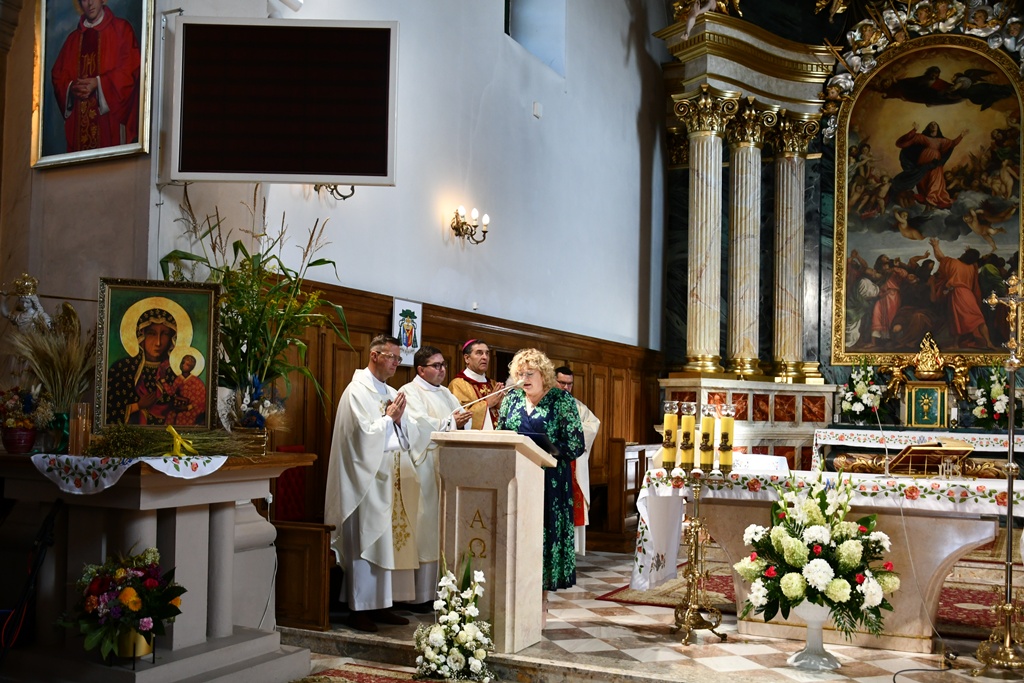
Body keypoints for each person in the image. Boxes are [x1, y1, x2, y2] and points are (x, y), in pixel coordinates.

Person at [323, 334, 420, 632]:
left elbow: (407, 433)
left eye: (398, 358)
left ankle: (381, 604)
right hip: (363, 480)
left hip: (387, 479)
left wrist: (399, 421)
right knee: (364, 543)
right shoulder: (356, 391)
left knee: (384, 545)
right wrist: (389, 419)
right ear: (374, 355)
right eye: (391, 357)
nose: (396, 363)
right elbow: (361, 436)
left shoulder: (391, 391)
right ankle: (359, 609)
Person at [498, 349, 585, 596]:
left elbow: (576, 444)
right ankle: (518, 594)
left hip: (551, 481)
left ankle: (542, 602)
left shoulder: (561, 400)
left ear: (543, 375)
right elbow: (501, 433)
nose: (524, 378)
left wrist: (548, 449)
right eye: (519, 374)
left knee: (544, 537)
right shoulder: (511, 399)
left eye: (530, 373)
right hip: (517, 479)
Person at [399, 346, 472, 610]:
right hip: (424, 467)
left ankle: (442, 591)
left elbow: (460, 419)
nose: (442, 370)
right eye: (436, 365)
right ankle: (419, 595)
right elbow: (417, 425)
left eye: (443, 365)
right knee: (425, 527)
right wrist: (451, 422)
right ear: (421, 369)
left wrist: (462, 421)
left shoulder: (445, 393)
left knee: (442, 528)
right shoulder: (409, 392)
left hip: (447, 466)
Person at [50, 0, 141, 153]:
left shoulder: (121, 29)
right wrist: (71, 88)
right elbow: (58, 76)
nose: (90, 3)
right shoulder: (73, 40)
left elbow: (130, 69)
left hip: (110, 125)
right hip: (79, 128)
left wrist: (99, 83)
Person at [554, 366, 601, 556]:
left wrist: (571, 430)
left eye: (569, 384)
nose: (566, 388)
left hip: (572, 463)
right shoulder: (545, 403)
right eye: (562, 383)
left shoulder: (577, 406)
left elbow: (593, 425)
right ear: (553, 381)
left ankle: (570, 552)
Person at [106, 308, 178, 425]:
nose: (158, 342)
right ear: (141, 336)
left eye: (165, 334)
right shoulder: (122, 369)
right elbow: (108, 411)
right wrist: (137, 406)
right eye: (152, 333)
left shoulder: (174, 372)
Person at [929, 238, 995, 349]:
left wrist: (935, 246)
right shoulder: (972, 267)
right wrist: (971, 253)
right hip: (969, 295)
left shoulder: (953, 263)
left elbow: (940, 258)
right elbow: (976, 261)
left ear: (965, 255)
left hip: (957, 293)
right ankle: (988, 342)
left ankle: (955, 344)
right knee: (979, 318)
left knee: (957, 320)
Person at [891, 121, 967, 209]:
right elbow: (906, 141)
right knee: (924, 180)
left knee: (935, 180)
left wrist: (961, 136)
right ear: (928, 127)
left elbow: (952, 143)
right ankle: (927, 203)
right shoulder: (923, 137)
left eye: (935, 124)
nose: (933, 126)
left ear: (938, 127)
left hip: (936, 161)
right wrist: (914, 130)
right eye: (931, 124)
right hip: (924, 160)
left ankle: (932, 199)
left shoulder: (942, 140)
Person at [448, 339, 504, 429]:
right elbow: (461, 417)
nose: (485, 357)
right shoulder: (458, 384)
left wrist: (501, 406)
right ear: (467, 358)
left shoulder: (493, 384)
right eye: (479, 353)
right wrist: (487, 404)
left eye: (487, 353)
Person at [161, 353, 207, 426]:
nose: (183, 365)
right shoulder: (178, 379)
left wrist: (187, 407)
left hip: (193, 408)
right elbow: (171, 392)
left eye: (187, 364)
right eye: (182, 362)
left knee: (181, 417)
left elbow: (201, 399)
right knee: (171, 415)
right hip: (181, 406)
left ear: (192, 367)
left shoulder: (197, 382)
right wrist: (163, 380)